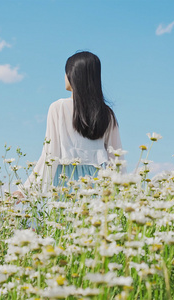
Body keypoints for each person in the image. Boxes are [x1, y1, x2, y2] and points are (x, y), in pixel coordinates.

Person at [13, 51, 123, 199]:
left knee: (63, 221)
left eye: (66, 72)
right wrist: (122, 194)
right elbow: (116, 158)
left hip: (65, 181)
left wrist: (25, 190)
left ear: (73, 75)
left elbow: (50, 154)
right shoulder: (106, 113)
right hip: (96, 183)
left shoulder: (58, 107)